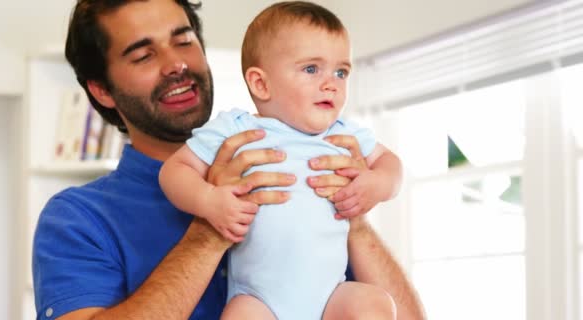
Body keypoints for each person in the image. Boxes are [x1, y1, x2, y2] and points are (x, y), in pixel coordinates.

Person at [32, 0, 426, 319]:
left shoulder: (319, 155)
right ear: (102, 90)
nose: (176, 64)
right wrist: (208, 233)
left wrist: (354, 219)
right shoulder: (77, 218)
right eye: (143, 55)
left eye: (183, 41)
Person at [159, 2, 400, 319]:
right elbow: (174, 172)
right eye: (312, 69)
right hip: (259, 300)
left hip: (332, 297)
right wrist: (209, 200)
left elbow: (391, 165)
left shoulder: (345, 134)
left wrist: (377, 183)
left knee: (375, 304)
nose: (332, 83)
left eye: (341, 72)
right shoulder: (238, 128)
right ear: (261, 84)